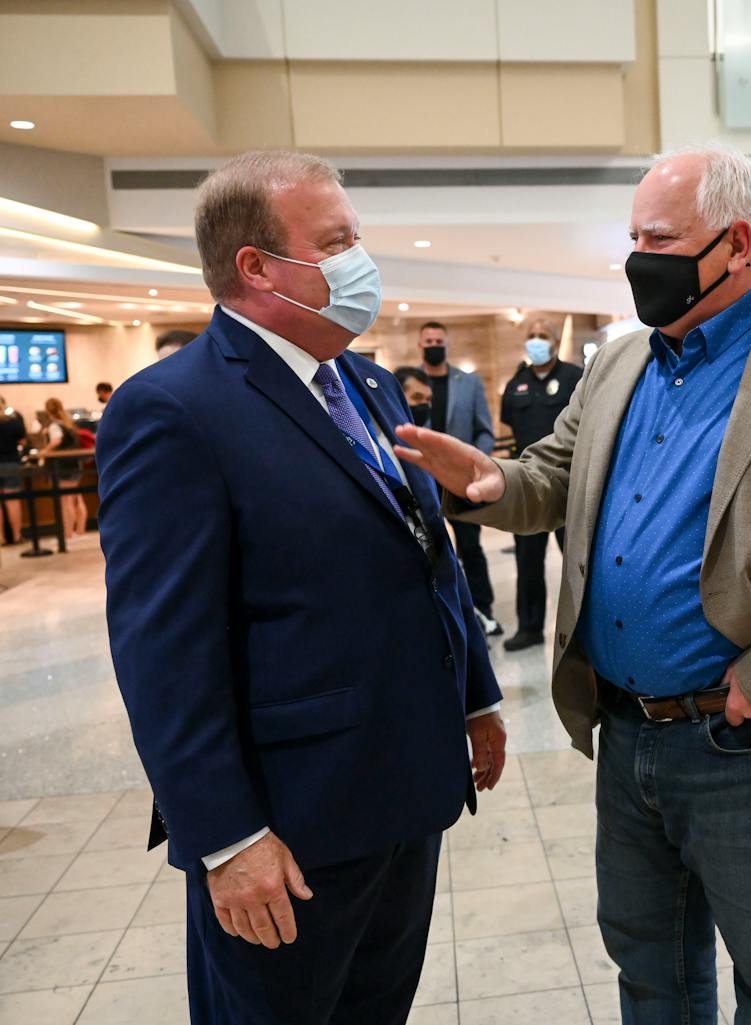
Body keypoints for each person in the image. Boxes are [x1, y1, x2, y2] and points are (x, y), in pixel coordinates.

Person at [394, 143, 751, 1025]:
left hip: (748, 743)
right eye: (634, 235)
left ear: (740, 246)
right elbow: (555, 474)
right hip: (624, 733)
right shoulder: (618, 360)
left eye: (660, 236)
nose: (639, 256)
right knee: (649, 970)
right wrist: (491, 485)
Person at [96, 150, 506, 1025]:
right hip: (290, 824)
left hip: (404, 790)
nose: (361, 259)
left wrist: (474, 696)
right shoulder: (173, 409)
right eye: (337, 241)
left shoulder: (363, 379)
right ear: (257, 267)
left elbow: (423, 547)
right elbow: (162, 652)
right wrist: (227, 838)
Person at [499, 317, 583, 652]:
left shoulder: (575, 378)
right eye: (531, 336)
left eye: (543, 336)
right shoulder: (516, 383)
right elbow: (509, 423)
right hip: (529, 484)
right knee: (527, 561)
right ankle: (529, 627)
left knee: (579, 561)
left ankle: (584, 628)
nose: (536, 341)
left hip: (570, 484)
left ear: (555, 340)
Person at [416, 320, 501, 636]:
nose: (434, 345)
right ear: (420, 346)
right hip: (422, 482)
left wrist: (474, 464)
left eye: (439, 340)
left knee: (471, 548)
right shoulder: (406, 383)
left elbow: (485, 430)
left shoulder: (469, 383)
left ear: (447, 344)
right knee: (429, 550)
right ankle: (439, 617)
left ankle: (484, 611)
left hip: (461, 483)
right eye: (429, 341)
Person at [40, 397, 86, 537]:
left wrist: (45, 451)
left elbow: (56, 440)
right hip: (75, 465)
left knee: (65, 501)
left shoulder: (54, 426)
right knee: (77, 498)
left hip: (62, 466)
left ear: (48, 411)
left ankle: (67, 534)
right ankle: (80, 530)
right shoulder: (69, 424)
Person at [0, 398, 25, 545]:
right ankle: (16, 535)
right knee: (13, 501)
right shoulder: (14, 421)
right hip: (11, 462)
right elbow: (22, 442)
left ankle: (1, 538)